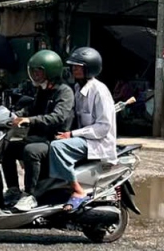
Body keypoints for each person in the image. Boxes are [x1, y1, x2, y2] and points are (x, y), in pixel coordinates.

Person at [46, 46, 117, 211]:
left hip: (99, 142)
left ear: (90, 68)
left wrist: (71, 134)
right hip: (85, 139)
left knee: (58, 147)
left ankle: (78, 190)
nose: (74, 69)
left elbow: (103, 128)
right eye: (73, 66)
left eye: (78, 67)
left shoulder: (99, 91)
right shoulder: (78, 89)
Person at [4, 49, 74, 206]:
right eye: (33, 71)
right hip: (40, 137)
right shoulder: (43, 90)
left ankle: (31, 194)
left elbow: (58, 117)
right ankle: (13, 189)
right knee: (7, 148)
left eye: (39, 72)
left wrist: (29, 120)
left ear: (50, 71)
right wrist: (13, 116)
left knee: (31, 151)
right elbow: (32, 109)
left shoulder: (64, 92)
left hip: (55, 139)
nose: (35, 75)